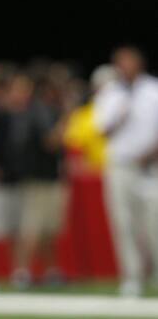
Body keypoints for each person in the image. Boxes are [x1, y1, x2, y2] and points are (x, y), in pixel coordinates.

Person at [93, 46, 158, 297]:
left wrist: (152, 152)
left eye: (129, 62)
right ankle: (132, 276)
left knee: (153, 221)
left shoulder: (153, 90)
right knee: (124, 221)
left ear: (138, 64)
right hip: (121, 165)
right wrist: (119, 114)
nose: (124, 67)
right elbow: (101, 130)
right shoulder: (110, 93)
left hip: (151, 165)